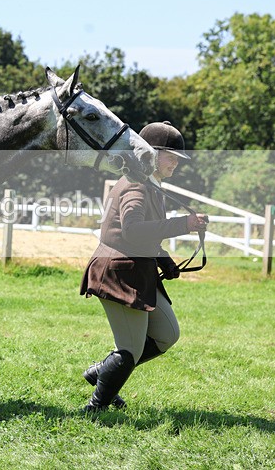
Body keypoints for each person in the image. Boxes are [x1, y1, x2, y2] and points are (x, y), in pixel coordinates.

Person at [79, 121, 208, 412]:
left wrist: (164, 259)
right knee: (130, 350)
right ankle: (96, 407)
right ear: (151, 153)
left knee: (167, 335)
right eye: (171, 156)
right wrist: (183, 224)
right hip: (118, 273)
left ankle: (102, 373)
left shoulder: (151, 184)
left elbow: (144, 236)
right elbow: (133, 231)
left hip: (138, 270)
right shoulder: (135, 184)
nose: (176, 163)